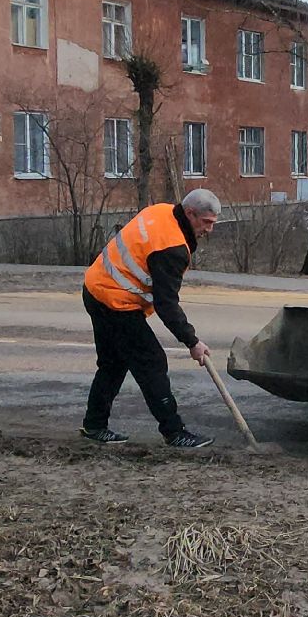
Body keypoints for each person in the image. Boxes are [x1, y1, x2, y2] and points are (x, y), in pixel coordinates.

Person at [79, 189, 221, 449]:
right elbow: (166, 303)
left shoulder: (161, 211)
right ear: (190, 214)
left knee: (112, 363)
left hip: (95, 288)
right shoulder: (172, 247)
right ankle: (174, 432)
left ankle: (94, 425)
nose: (209, 230)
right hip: (114, 302)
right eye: (206, 222)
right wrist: (192, 342)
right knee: (152, 361)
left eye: (213, 223)